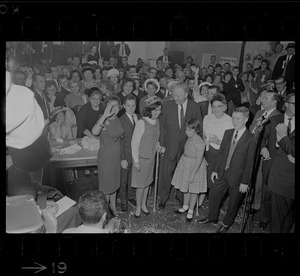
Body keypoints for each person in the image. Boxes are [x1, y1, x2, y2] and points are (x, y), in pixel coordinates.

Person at [198, 106, 254, 233]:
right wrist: (215, 170)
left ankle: (226, 223)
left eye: (238, 119)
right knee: (213, 193)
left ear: (246, 119)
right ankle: (212, 217)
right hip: (223, 172)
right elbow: (222, 153)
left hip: (238, 177)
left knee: (233, 203)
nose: (234, 121)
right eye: (233, 118)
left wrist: (245, 182)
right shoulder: (228, 133)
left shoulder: (251, 138)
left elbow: (250, 163)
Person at [158, 82, 202, 209]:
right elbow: (161, 127)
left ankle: (181, 196)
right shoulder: (166, 106)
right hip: (168, 146)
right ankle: (163, 197)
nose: (174, 98)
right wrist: (161, 145)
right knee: (166, 174)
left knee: (184, 174)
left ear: (186, 94)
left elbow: (199, 128)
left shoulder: (194, 107)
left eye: (177, 96)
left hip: (187, 148)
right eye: (173, 95)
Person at [259, 93, 295, 231]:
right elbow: (262, 136)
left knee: (285, 212)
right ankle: (264, 219)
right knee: (267, 196)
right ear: (286, 104)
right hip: (271, 165)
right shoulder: (274, 119)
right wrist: (263, 147)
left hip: (288, 174)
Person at [92, 95, 124, 218]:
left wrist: (122, 158)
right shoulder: (103, 119)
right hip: (106, 158)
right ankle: (104, 211)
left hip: (116, 157)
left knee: (114, 184)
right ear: (106, 107)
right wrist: (105, 115)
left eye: (116, 105)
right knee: (106, 187)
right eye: (111, 106)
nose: (114, 108)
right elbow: (95, 132)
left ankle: (113, 206)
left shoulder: (118, 118)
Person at [131, 96, 163, 218]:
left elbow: (155, 139)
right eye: (155, 110)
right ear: (149, 110)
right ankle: (138, 207)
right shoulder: (141, 122)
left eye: (159, 110)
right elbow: (134, 143)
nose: (158, 112)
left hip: (151, 158)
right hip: (141, 159)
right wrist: (136, 161)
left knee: (147, 183)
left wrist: (158, 146)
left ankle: (144, 204)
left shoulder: (157, 121)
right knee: (140, 185)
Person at [172, 119, 207, 222]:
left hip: (195, 167)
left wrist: (192, 173)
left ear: (196, 130)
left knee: (193, 190)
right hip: (186, 164)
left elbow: (199, 159)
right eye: (186, 129)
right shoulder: (190, 138)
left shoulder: (199, 141)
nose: (187, 132)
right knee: (186, 187)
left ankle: (191, 210)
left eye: (190, 130)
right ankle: (185, 206)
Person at [202, 94, 234, 204]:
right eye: (214, 107)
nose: (216, 109)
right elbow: (203, 134)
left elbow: (232, 143)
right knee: (206, 175)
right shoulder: (207, 118)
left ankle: (215, 199)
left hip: (221, 153)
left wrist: (219, 141)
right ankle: (207, 195)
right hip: (207, 150)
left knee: (217, 177)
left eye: (219, 106)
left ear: (225, 107)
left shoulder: (230, 121)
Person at [118, 94, 140, 212]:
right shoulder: (120, 120)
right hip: (125, 155)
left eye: (133, 105)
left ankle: (131, 197)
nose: (131, 108)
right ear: (124, 106)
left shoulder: (138, 118)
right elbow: (120, 141)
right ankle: (123, 200)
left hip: (135, 154)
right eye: (128, 106)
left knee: (133, 177)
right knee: (123, 179)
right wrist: (122, 158)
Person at [31, 73, 51, 137]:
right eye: (41, 81)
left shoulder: (43, 94)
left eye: (44, 81)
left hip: (45, 123)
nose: (44, 83)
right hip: (37, 125)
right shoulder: (32, 95)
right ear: (34, 83)